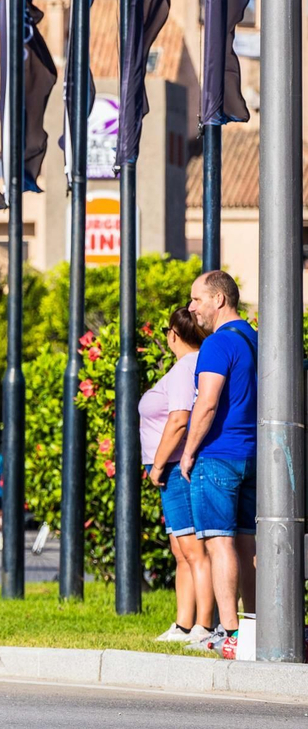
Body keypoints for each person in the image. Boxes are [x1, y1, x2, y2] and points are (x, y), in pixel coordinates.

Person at [180, 270, 257, 653]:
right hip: (254, 456)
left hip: (218, 456)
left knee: (218, 542)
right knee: (247, 543)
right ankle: (257, 630)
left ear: (219, 300)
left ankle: (230, 634)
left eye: (197, 299)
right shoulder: (256, 340)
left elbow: (207, 402)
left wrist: (189, 451)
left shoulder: (216, 344)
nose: (192, 307)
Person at [144, 306, 213, 645]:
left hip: (172, 468)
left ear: (173, 333)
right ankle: (184, 624)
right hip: (169, 467)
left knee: (194, 549)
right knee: (181, 550)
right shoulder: (185, 366)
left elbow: (179, 420)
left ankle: (203, 625)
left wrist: (157, 465)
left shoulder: (186, 367)